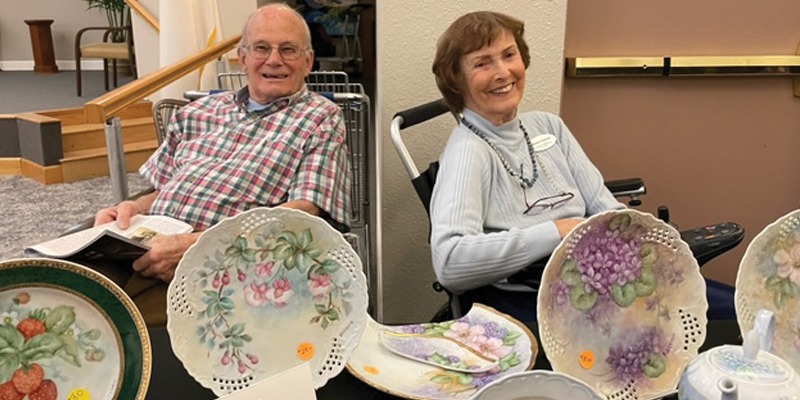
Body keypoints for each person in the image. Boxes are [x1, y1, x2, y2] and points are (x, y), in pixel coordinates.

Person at [92, 3, 351, 326]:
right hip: (147, 246)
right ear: (242, 58)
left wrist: (196, 246)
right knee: (48, 283)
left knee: (108, 324)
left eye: (288, 50)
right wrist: (130, 209)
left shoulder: (319, 118)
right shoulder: (197, 112)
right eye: (261, 48)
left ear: (308, 61)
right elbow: (163, 189)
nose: (274, 60)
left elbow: (301, 215)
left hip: (225, 272)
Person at [429, 11, 624, 322]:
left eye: (509, 55)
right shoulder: (469, 152)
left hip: (602, 279)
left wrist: (638, 238)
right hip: (540, 300)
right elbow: (450, 261)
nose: (503, 72)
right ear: (457, 81)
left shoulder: (548, 125)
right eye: (482, 63)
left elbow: (604, 205)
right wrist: (558, 231)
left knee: (715, 304)